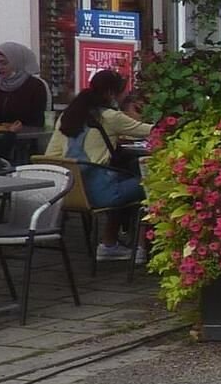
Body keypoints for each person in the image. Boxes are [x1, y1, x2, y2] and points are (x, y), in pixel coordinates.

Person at [57, 68, 152, 259]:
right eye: (123, 91)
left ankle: (109, 244)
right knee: (150, 184)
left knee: (124, 178)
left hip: (68, 190)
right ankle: (142, 249)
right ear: (111, 93)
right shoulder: (110, 116)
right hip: (99, 192)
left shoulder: (68, 115)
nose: (125, 95)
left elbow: (53, 152)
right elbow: (152, 130)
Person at [0, 43, 48, 128]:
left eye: (3, 63)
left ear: (17, 62)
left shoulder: (35, 86)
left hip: (25, 136)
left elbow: (37, 120)